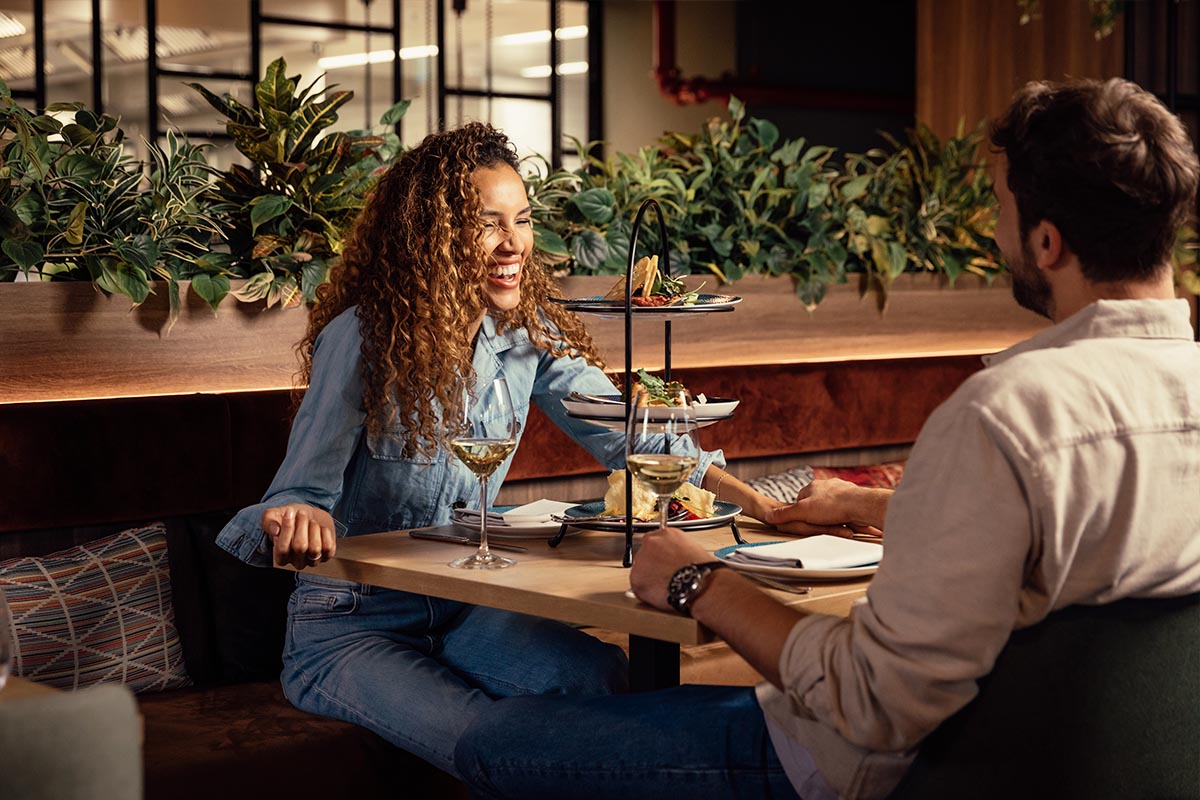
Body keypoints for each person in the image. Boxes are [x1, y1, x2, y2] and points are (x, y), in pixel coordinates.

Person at [452, 78, 1200, 799]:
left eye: (1000, 208)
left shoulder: (1006, 416)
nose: (993, 231)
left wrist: (698, 581)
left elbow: (870, 702)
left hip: (863, 768)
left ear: (1047, 241)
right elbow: (1061, 541)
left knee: (492, 742)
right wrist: (865, 505)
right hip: (1084, 767)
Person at [216, 122, 785, 779]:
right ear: (432, 235)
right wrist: (297, 517)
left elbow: (636, 436)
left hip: (469, 609)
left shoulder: (525, 333)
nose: (513, 242)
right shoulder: (365, 336)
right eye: (487, 223)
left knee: (603, 675)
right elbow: (298, 493)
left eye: (522, 219)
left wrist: (764, 508)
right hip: (352, 625)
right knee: (489, 738)